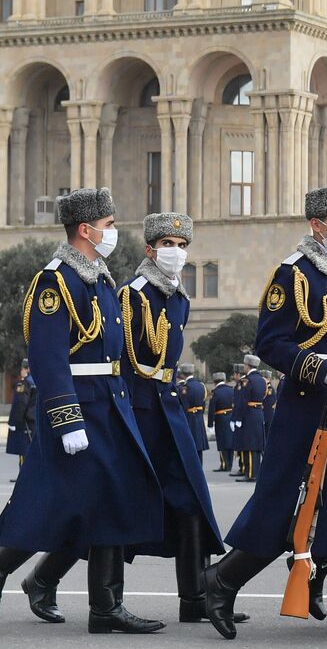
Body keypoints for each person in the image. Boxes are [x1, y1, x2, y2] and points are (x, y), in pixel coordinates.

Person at [204, 186, 327, 641]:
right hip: (307, 411)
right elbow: (271, 344)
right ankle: (221, 581)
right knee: (283, 508)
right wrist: (318, 368)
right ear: (316, 225)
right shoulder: (293, 275)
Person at [0, 187, 165, 633]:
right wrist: (66, 418)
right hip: (79, 410)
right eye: (109, 226)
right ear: (86, 229)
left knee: (110, 501)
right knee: (51, 505)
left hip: (109, 406)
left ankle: (106, 607)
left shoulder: (97, 276)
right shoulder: (55, 281)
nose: (113, 233)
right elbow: (50, 358)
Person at [109, 213, 227, 623]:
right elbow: (121, 360)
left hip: (167, 407)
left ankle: (194, 599)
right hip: (137, 410)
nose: (176, 253)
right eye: (168, 245)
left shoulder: (179, 298)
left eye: (182, 246)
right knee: (116, 505)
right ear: (149, 249)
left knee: (190, 498)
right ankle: (53, 581)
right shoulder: (132, 294)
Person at [235, 354, 266, 483]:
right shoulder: (262, 379)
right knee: (256, 444)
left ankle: (251, 474)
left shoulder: (247, 380)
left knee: (249, 445)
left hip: (248, 413)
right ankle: (255, 472)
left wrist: (238, 417)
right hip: (258, 413)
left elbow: (243, 399)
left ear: (247, 366)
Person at [179, 363, 209, 467]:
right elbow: (204, 402)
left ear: (183, 374)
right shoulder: (201, 386)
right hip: (199, 418)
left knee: (190, 446)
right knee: (198, 446)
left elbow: (184, 405)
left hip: (189, 418)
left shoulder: (185, 387)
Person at [6, 359, 33, 472]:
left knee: (24, 454)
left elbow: (20, 404)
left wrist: (13, 422)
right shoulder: (38, 382)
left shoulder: (24, 383)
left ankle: (24, 476)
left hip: (25, 424)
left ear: (26, 369)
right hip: (36, 423)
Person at [208, 372, 235, 472]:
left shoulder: (216, 392)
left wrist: (210, 424)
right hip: (231, 416)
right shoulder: (231, 390)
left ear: (215, 382)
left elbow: (211, 410)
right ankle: (230, 464)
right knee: (230, 441)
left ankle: (224, 464)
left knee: (222, 442)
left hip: (220, 418)